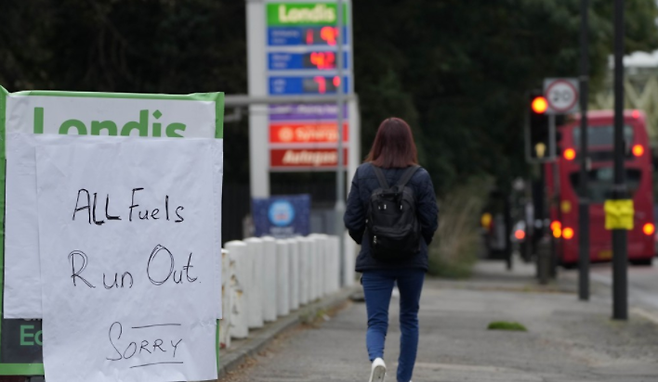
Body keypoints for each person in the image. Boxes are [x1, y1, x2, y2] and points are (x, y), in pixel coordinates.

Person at [344, 117, 438, 382]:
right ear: (409, 143)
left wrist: (369, 242)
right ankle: (403, 379)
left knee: (377, 322)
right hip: (412, 260)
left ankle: (377, 358)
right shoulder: (420, 176)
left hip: (375, 259)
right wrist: (416, 245)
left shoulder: (364, 174)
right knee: (409, 319)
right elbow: (430, 221)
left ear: (379, 141)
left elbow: (351, 220)